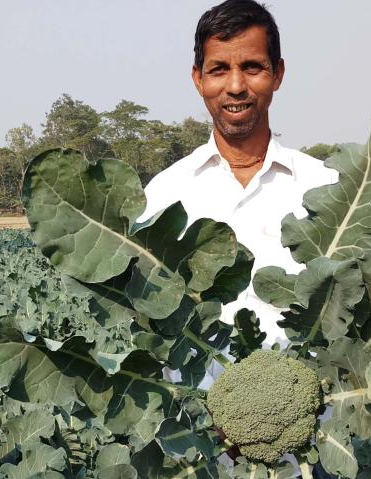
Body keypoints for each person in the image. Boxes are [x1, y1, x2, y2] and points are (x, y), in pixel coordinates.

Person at [141, 0, 338, 345]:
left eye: (251, 67)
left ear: (277, 74)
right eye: (218, 69)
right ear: (198, 79)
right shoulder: (163, 196)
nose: (235, 86)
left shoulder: (329, 189)